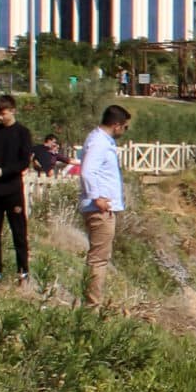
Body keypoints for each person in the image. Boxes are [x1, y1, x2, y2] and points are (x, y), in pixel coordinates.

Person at [0, 95, 36, 285]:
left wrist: (3, 171)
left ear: (13, 111)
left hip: (12, 190)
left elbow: (23, 161)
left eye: (3, 113)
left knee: (18, 232)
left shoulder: (22, 133)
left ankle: (23, 271)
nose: (0, 117)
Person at [79, 104, 130, 306]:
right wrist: (97, 197)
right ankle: (92, 305)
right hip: (100, 209)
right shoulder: (99, 142)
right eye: (125, 127)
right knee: (98, 259)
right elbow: (87, 171)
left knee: (99, 258)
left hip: (101, 208)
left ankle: (92, 303)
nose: (124, 131)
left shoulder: (101, 140)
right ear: (116, 125)